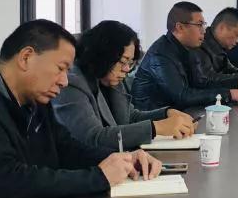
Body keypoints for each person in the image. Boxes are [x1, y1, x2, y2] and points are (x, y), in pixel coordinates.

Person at [0, 20, 162, 198]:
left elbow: (65, 148)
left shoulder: (34, 98)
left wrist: (124, 159)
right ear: (26, 57)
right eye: (60, 68)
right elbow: (3, 182)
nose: (64, 81)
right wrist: (99, 177)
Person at [53, 21, 197, 151]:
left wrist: (166, 114)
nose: (127, 69)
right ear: (103, 56)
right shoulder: (72, 83)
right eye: (123, 61)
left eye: (130, 63)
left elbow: (130, 117)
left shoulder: (110, 78)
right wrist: (157, 128)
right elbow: (94, 137)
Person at [132, 2, 238, 111]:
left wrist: (236, 84)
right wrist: (228, 94)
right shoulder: (160, 54)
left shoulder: (187, 49)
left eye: (203, 25)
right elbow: (182, 96)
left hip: (178, 114)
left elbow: (202, 83)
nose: (204, 31)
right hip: (154, 120)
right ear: (180, 27)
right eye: (199, 25)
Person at [193, 8, 238, 92]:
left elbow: (229, 70)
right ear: (222, 28)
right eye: (237, 35)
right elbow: (208, 79)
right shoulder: (200, 44)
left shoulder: (219, 45)